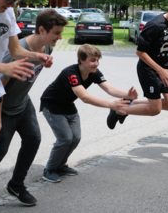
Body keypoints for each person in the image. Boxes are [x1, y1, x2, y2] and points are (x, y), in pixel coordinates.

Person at [0, 9, 67, 210]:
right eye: (56, 33)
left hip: (22, 102)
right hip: (3, 105)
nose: (60, 37)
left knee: (33, 140)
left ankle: (16, 185)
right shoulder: (15, 52)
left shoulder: (46, 49)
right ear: (42, 29)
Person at [40, 44, 137, 183]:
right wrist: (111, 105)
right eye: (92, 60)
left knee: (76, 138)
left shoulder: (94, 72)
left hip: (68, 105)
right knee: (65, 139)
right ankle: (49, 170)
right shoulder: (70, 73)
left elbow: (109, 89)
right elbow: (85, 97)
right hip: (52, 106)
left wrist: (128, 94)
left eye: (97, 60)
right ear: (81, 60)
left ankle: (60, 166)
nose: (96, 63)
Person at [0, 0, 52, 159]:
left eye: (15, 0)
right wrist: (4, 68)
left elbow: (15, 51)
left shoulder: (8, 13)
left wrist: (37, 56)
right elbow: (6, 63)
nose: (11, 4)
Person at [106, 0, 168, 127]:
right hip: (149, 70)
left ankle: (123, 104)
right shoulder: (155, 25)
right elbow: (140, 52)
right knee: (155, 110)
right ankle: (119, 110)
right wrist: (160, 70)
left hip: (164, 68)